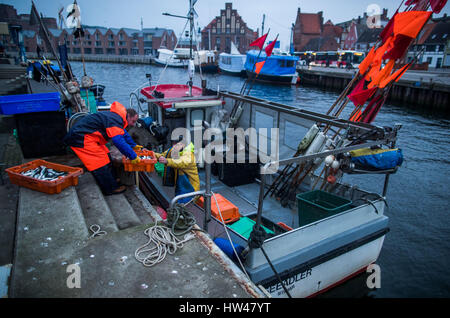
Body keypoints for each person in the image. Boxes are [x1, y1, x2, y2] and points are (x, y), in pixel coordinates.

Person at [64, 101, 143, 195]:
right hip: (81, 137)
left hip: (90, 137)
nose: (133, 124)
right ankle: (110, 188)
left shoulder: (117, 118)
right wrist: (133, 156)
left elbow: (123, 134)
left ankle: (113, 180)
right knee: (99, 162)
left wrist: (134, 145)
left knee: (106, 154)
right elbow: (118, 141)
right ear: (128, 116)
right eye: (133, 121)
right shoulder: (116, 120)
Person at [155, 139, 200, 204]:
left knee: (185, 207)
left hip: (190, 189)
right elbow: (162, 156)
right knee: (179, 203)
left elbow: (181, 162)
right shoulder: (174, 149)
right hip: (180, 185)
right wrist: (152, 154)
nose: (173, 146)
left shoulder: (189, 154)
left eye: (176, 144)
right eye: (173, 143)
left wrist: (167, 161)